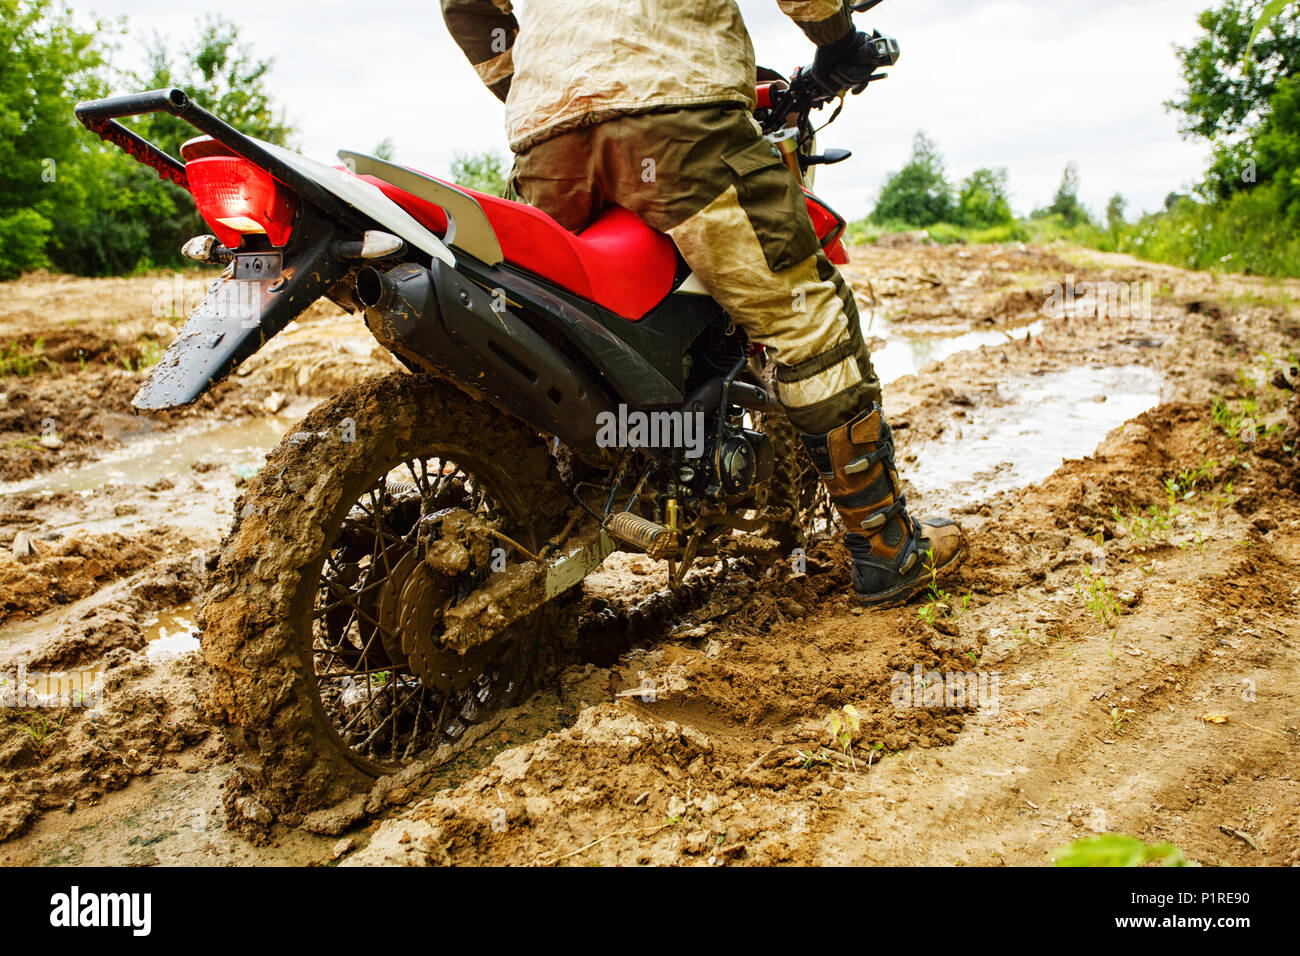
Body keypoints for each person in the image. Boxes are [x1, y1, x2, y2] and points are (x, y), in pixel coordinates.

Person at [442, 0, 963, 605]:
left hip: (547, 142)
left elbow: (467, 5)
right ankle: (888, 549)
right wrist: (838, 38)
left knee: (554, 330)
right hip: (676, 106)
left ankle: (545, 521)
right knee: (807, 320)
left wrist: (532, 82)